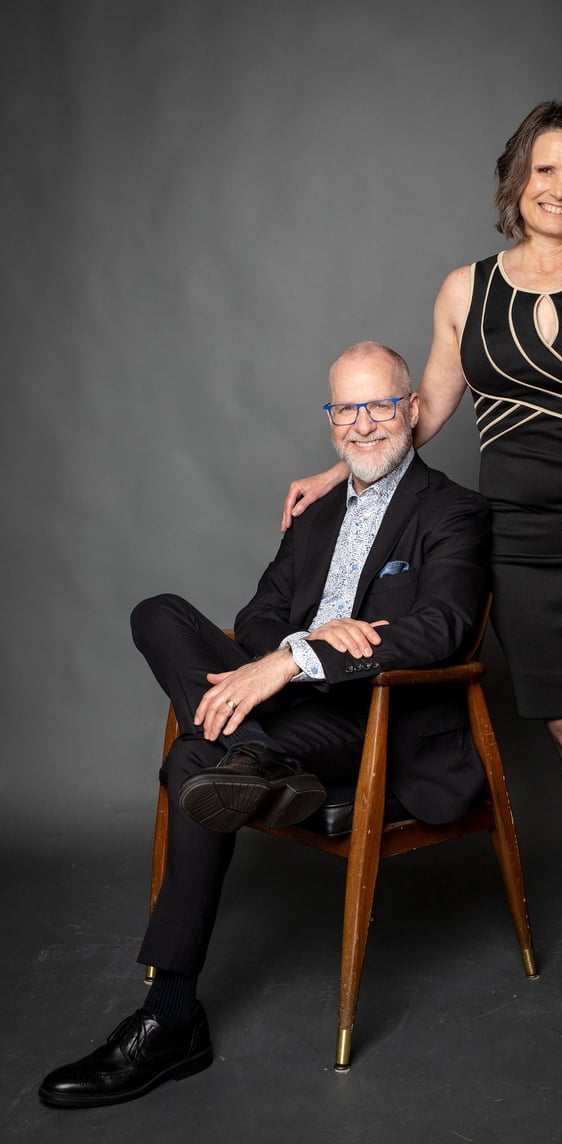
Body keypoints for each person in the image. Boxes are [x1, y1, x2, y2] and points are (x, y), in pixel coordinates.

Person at [281, 102, 562, 1040]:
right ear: (516, 181)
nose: (558, 189)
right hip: (527, 543)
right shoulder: (466, 289)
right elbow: (428, 408)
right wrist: (341, 468)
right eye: (544, 169)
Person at [39, 341, 491, 1108]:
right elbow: (258, 617)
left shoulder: (453, 510)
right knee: (159, 613)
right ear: (330, 418)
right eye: (344, 408)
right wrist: (294, 648)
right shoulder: (313, 517)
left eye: (379, 404)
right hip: (286, 712)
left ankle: (169, 1017)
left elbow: (442, 626)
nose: (361, 424)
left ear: (412, 409)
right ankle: (251, 760)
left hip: (372, 724)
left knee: (193, 758)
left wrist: (307, 656)